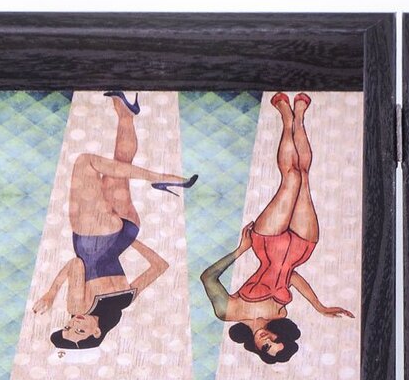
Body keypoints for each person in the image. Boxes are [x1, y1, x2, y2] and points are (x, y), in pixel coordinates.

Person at [200, 92, 353, 363]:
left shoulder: (229, 312)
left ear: (256, 348)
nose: (268, 339)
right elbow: (290, 276)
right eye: (275, 342)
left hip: (267, 243)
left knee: (291, 177)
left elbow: (208, 278)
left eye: (266, 347)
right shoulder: (280, 314)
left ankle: (286, 118)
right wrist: (319, 306)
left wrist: (241, 249)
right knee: (303, 176)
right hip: (301, 249)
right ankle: (300, 119)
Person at [32, 92, 185, 351]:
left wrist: (130, 241)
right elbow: (77, 264)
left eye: (67, 327)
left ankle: (126, 115)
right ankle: (159, 177)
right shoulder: (77, 307)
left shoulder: (125, 301)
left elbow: (160, 266)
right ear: (97, 332)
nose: (73, 323)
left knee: (120, 164)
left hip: (126, 230)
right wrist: (51, 292)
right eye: (80, 331)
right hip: (92, 236)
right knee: (86, 162)